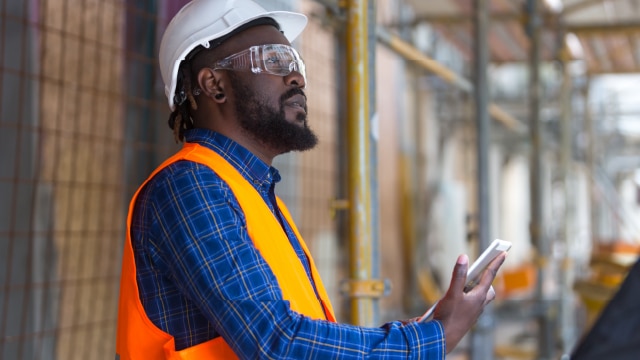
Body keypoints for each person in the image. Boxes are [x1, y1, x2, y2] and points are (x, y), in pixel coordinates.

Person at [115, 0, 508, 358]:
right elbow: (277, 343)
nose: (296, 78)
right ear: (213, 84)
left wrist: (422, 328)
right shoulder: (190, 187)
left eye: (295, 63)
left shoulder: (252, 196)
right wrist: (433, 338)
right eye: (273, 59)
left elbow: (302, 335)